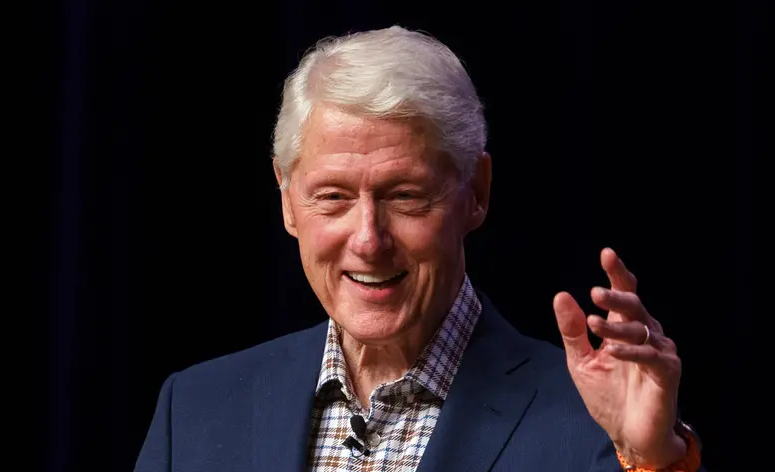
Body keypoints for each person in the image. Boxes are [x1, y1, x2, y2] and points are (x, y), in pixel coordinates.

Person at [134, 26, 703, 472]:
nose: (368, 239)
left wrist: (652, 461)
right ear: (287, 201)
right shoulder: (194, 409)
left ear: (476, 193)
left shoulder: (596, 421)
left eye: (405, 197)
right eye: (332, 197)